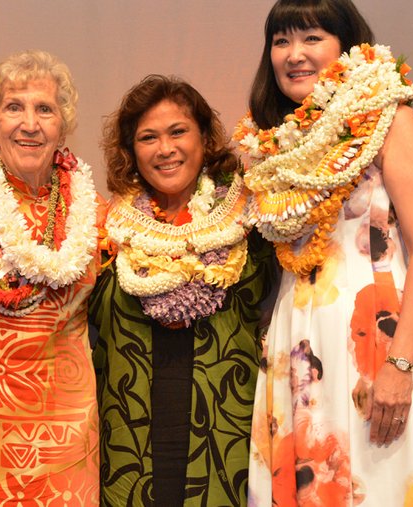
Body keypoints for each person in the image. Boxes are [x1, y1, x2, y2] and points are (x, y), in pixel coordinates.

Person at [233, 0, 413, 504]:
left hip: (380, 336)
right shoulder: (271, 145)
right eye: (281, 41)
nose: (294, 54)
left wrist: (400, 365)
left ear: (346, 47)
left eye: (312, 38)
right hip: (299, 344)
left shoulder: (389, 119)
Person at [89, 74, 277, 506]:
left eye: (178, 131)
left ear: (205, 138)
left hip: (228, 446)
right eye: (147, 137)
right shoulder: (105, 229)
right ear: (131, 152)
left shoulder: (252, 222)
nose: (165, 148)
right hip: (127, 451)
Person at [0, 50, 101, 505]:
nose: (29, 124)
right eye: (15, 107)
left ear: (63, 126)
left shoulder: (94, 213)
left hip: (69, 426)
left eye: (45, 109)